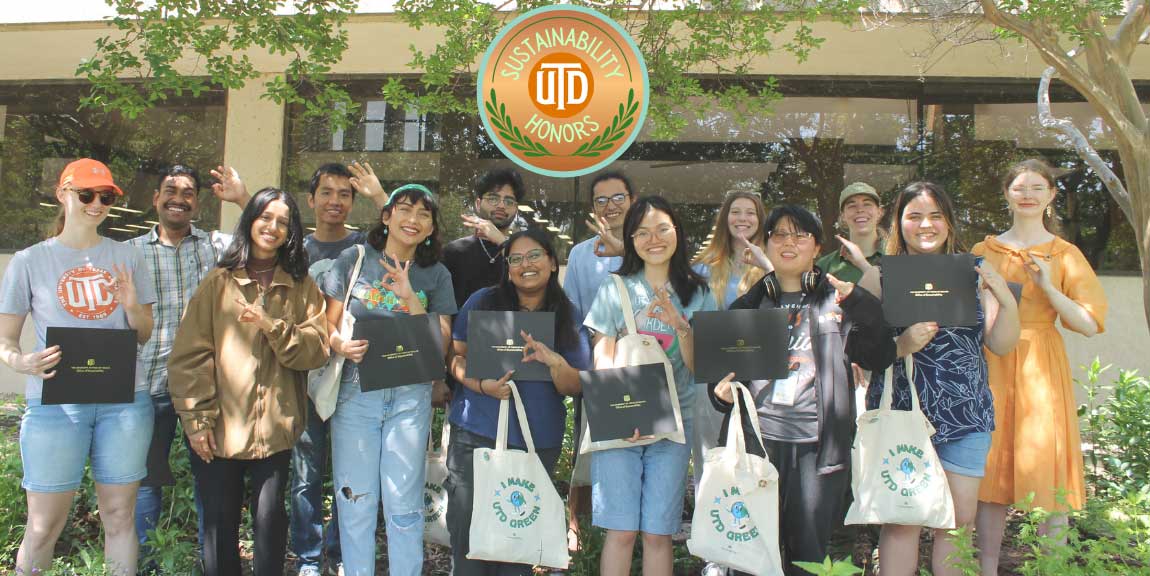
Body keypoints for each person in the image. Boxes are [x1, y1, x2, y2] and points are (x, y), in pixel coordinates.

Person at [706, 204, 895, 576]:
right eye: (779, 234)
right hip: (758, 445)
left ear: (816, 246)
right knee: (749, 553)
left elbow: (881, 355)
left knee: (807, 556)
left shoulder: (838, 300)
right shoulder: (748, 305)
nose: (788, 242)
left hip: (818, 449)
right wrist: (720, 393)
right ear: (768, 244)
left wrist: (859, 301)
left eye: (800, 235)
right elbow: (722, 381)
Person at [0, 159, 156, 576]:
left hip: (124, 402)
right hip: (55, 405)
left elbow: (143, 333)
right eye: (86, 194)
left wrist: (130, 306)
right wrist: (22, 362)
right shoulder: (29, 261)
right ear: (62, 194)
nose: (96, 204)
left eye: (105, 197)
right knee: (43, 524)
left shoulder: (129, 256)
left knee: (120, 517)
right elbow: (6, 341)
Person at [168, 186, 330, 576]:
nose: (272, 227)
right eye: (264, 217)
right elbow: (191, 355)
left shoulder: (301, 285)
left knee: (270, 525)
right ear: (250, 221)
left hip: (275, 430)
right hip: (220, 427)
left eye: (283, 222)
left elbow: (316, 349)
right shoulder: (219, 283)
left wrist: (271, 326)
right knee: (218, 528)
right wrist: (197, 419)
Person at [865, 182, 1019, 576]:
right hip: (902, 413)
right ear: (899, 224)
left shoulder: (976, 272)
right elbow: (862, 354)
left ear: (949, 223)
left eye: (935, 216)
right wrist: (901, 345)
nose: (925, 225)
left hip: (966, 415)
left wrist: (1005, 298)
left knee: (957, 519)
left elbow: (1001, 344)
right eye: (914, 216)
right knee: (902, 519)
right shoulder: (879, 276)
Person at [974, 159, 1107, 573]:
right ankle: (986, 568)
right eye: (1019, 187)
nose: (1027, 194)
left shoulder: (1065, 254)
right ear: (1007, 194)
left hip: (1040, 364)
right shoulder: (983, 251)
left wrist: (1049, 285)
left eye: (1036, 187)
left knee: (1049, 468)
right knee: (989, 472)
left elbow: (1088, 323)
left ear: (1051, 196)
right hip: (993, 359)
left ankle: (1054, 567)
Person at [322, 184, 456, 576]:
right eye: (405, 210)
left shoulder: (436, 274)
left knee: (404, 505)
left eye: (424, 215)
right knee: (356, 502)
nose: (412, 220)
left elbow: (442, 344)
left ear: (431, 228)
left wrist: (410, 295)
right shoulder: (354, 260)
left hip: (410, 396)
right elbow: (325, 327)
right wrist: (341, 345)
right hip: (356, 392)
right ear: (386, 216)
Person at [445, 228, 591, 575]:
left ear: (553, 263)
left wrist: (554, 361)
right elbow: (454, 358)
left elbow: (577, 385)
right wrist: (481, 386)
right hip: (475, 435)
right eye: (516, 258)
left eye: (535, 255)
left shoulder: (567, 315)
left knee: (518, 546)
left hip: (536, 443)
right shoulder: (483, 301)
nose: (526, 264)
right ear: (507, 268)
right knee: (468, 543)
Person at [583, 196, 717, 576]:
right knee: (622, 531)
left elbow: (697, 367)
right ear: (630, 240)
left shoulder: (698, 292)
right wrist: (621, 416)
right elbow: (602, 357)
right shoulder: (616, 288)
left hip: (675, 427)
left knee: (659, 533)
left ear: (677, 232)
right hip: (621, 425)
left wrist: (681, 325)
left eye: (661, 229)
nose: (653, 239)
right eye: (641, 232)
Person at [129, 164, 249, 569]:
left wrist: (241, 199)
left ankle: (210, 564)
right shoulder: (129, 253)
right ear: (155, 199)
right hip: (148, 386)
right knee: (145, 482)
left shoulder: (217, 247)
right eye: (170, 190)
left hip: (204, 390)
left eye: (188, 192)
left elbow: (268, 237)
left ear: (199, 202)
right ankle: (145, 562)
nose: (178, 197)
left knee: (211, 485)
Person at [293, 161, 387, 576]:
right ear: (310, 200)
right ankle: (310, 558)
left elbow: (408, 233)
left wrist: (380, 196)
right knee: (305, 472)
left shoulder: (367, 247)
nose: (335, 201)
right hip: (304, 376)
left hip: (355, 375)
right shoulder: (294, 250)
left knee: (355, 470)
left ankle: (344, 548)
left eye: (344, 194)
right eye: (326, 193)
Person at [559, 170, 634, 547]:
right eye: (602, 200)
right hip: (598, 367)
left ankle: (631, 531)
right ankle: (579, 529)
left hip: (645, 367)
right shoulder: (580, 254)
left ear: (632, 201)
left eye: (618, 197)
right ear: (592, 208)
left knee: (641, 449)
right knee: (590, 453)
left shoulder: (648, 247)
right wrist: (583, 368)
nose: (611, 206)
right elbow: (573, 316)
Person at [442, 168, 525, 308]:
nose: (501, 205)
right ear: (478, 204)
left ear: (516, 209)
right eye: (493, 198)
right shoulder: (454, 252)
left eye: (509, 201)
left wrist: (502, 242)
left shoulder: (525, 254)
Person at [816, 182, 885, 284]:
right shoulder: (825, 265)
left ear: (879, 212)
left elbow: (906, 298)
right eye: (852, 205)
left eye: (867, 204)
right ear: (843, 216)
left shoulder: (898, 256)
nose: (860, 210)